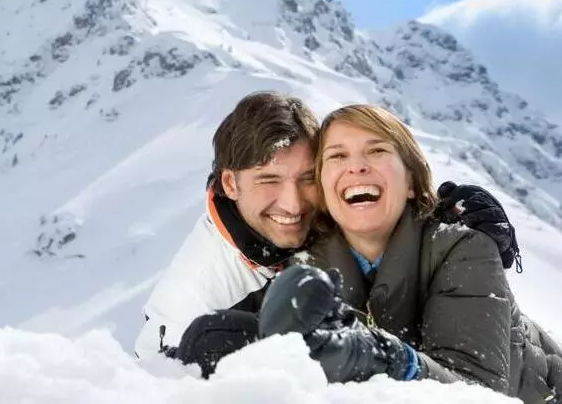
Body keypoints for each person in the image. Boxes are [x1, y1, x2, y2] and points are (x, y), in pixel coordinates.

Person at [133, 92, 521, 374]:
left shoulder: (327, 232)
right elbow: (155, 378)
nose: (294, 204)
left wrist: (443, 213)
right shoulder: (200, 293)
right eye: (269, 180)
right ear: (231, 185)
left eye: (307, 178)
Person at [258, 104, 562, 403]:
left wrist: (389, 359)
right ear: (322, 191)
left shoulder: (463, 250)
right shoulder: (307, 266)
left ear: (412, 183)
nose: (356, 166)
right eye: (337, 155)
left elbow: (478, 394)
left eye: (377, 150)